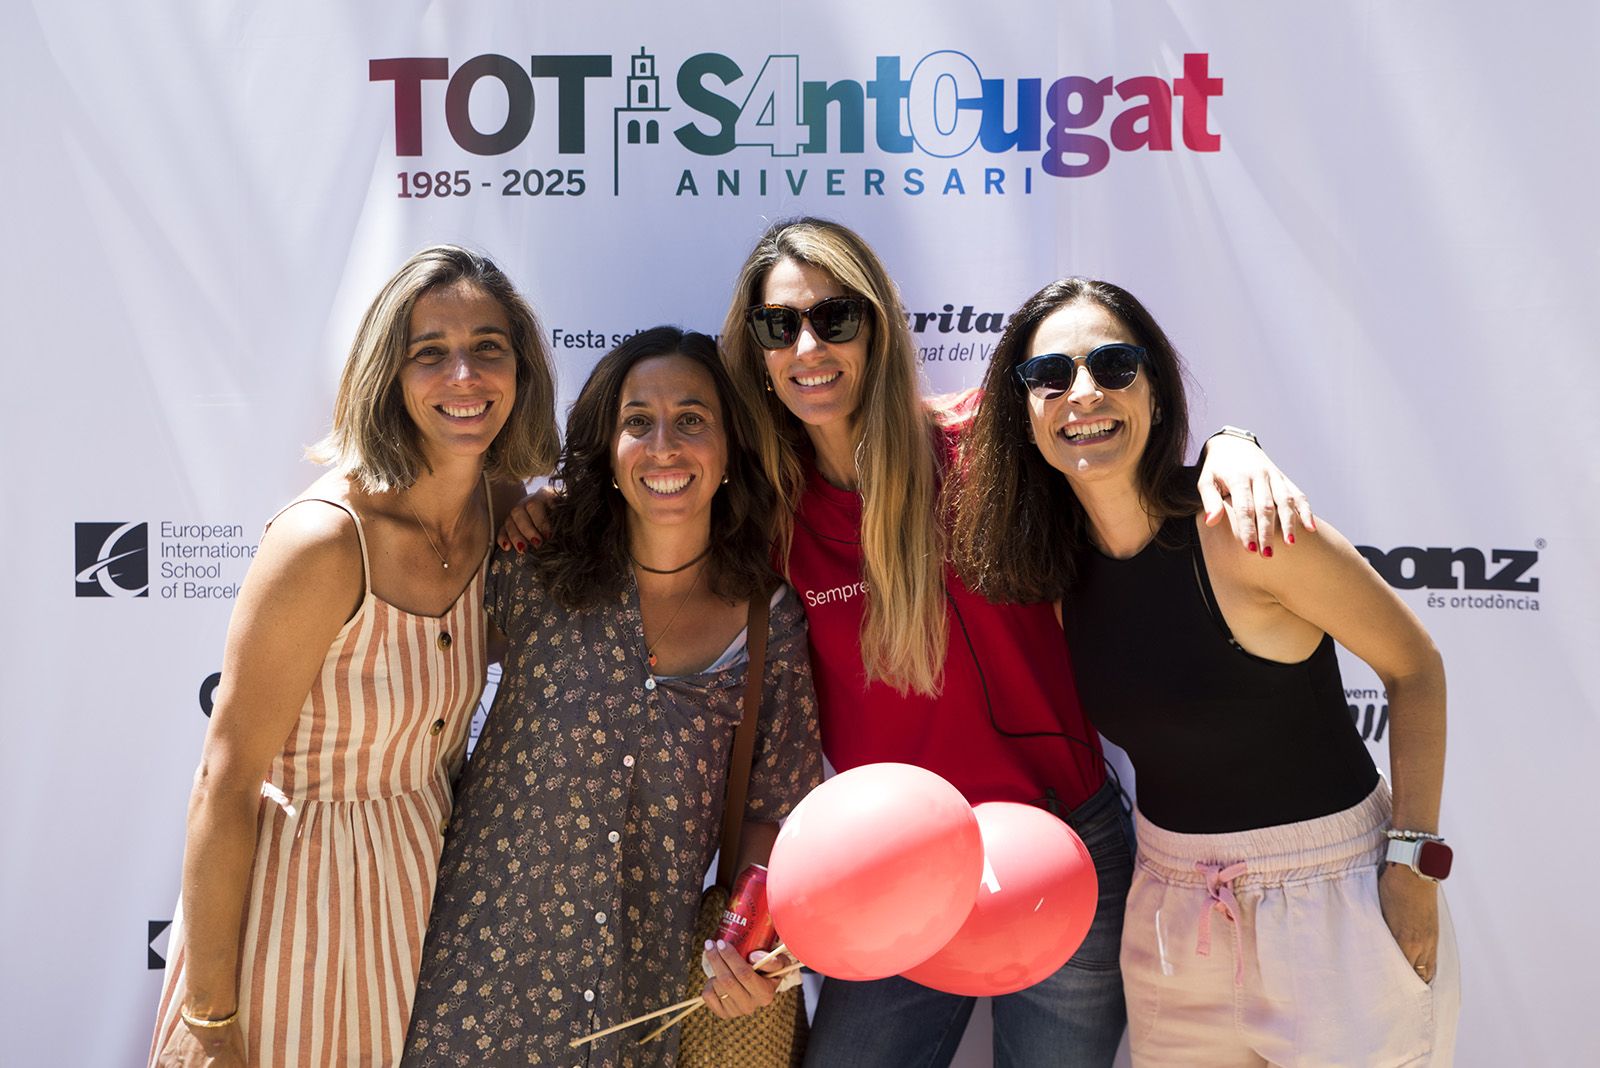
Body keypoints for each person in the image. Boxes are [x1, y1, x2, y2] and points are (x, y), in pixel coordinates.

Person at [502, 218, 1311, 1068]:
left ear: (879, 324)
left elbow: (1114, 443)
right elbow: (656, 491)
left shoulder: (989, 446)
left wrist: (1231, 446)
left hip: (1062, 850)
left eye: (835, 317)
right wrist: (553, 502)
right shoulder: (768, 504)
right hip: (890, 872)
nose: (809, 344)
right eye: (782, 326)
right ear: (761, 356)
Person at [949, 277, 1458, 1065]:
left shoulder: (1246, 530)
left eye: (1114, 365)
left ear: (1153, 387)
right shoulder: (1059, 574)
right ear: (1025, 412)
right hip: (1170, 915)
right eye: (1050, 376)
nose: (1083, 393)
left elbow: (1416, 668)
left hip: (1335, 902)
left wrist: (1413, 866)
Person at [149, 246, 559, 1068]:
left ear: (520, 371)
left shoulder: (500, 509)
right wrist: (213, 1016)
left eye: (489, 347)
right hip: (295, 912)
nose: (464, 375)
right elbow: (223, 786)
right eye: (429, 352)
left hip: (430, 904)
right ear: (389, 373)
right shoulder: (324, 542)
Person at [402, 328, 823, 1066]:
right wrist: (519, 502)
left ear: (728, 452)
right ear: (609, 448)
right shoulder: (534, 572)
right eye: (638, 422)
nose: (664, 446)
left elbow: (772, 811)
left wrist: (751, 941)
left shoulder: (767, 621)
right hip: (472, 983)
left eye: (692, 420)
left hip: (639, 999)